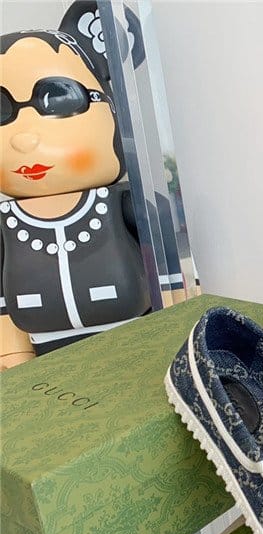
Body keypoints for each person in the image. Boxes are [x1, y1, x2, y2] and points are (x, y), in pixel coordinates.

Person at [0, 2, 151, 366]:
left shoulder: (127, 205)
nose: (24, 138)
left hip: (136, 337)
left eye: (57, 98)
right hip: (48, 356)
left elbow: (170, 278)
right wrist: (12, 353)